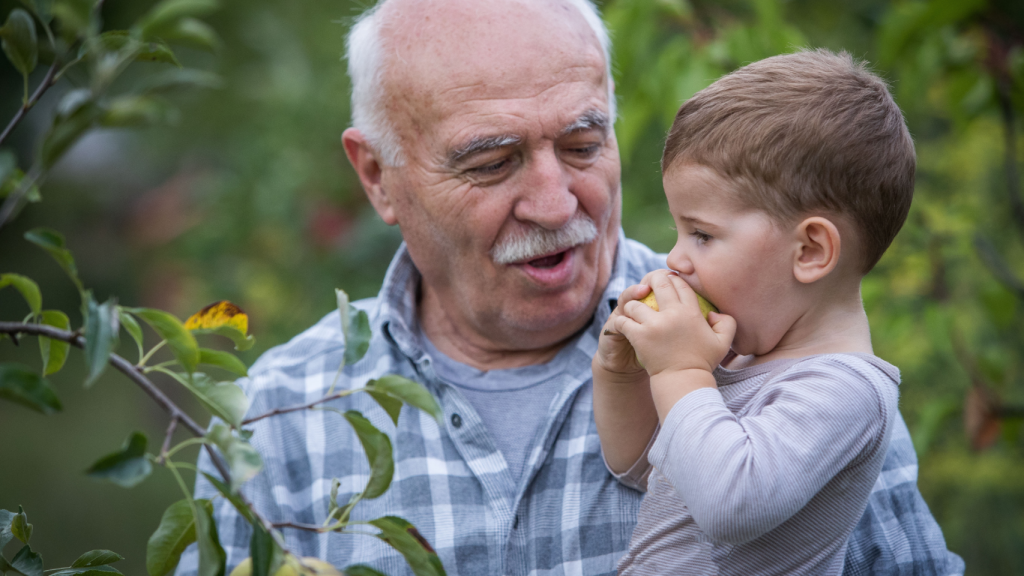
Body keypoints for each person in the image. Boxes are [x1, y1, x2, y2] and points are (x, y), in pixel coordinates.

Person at [177, 1, 965, 575]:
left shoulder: (771, 350)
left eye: (583, 144)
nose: (557, 204)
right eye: (491, 162)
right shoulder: (273, 420)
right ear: (379, 177)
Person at [593, 49, 916, 575]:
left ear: (810, 251)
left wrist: (680, 371)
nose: (675, 259)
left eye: (701, 234)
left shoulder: (847, 391)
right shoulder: (734, 362)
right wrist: (623, 376)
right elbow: (637, 464)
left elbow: (730, 503)